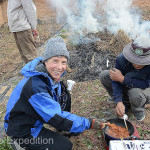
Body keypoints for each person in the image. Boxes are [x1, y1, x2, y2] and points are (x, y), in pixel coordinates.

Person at [4, 36, 103, 150]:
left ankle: (65, 126)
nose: (60, 67)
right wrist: (89, 123)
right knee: (65, 146)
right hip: (22, 130)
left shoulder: (47, 76)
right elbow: (56, 116)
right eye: (55, 61)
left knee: (64, 92)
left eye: (63, 62)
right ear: (45, 61)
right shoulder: (35, 87)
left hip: (33, 120)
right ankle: (20, 145)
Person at [99, 41, 150, 121]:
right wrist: (118, 100)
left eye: (141, 61)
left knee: (135, 93)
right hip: (126, 84)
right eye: (134, 60)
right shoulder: (121, 59)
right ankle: (124, 100)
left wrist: (123, 79)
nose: (136, 64)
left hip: (143, 89)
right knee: (104, 75)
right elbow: (115, 80)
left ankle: (138, 110)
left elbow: (147, 84)